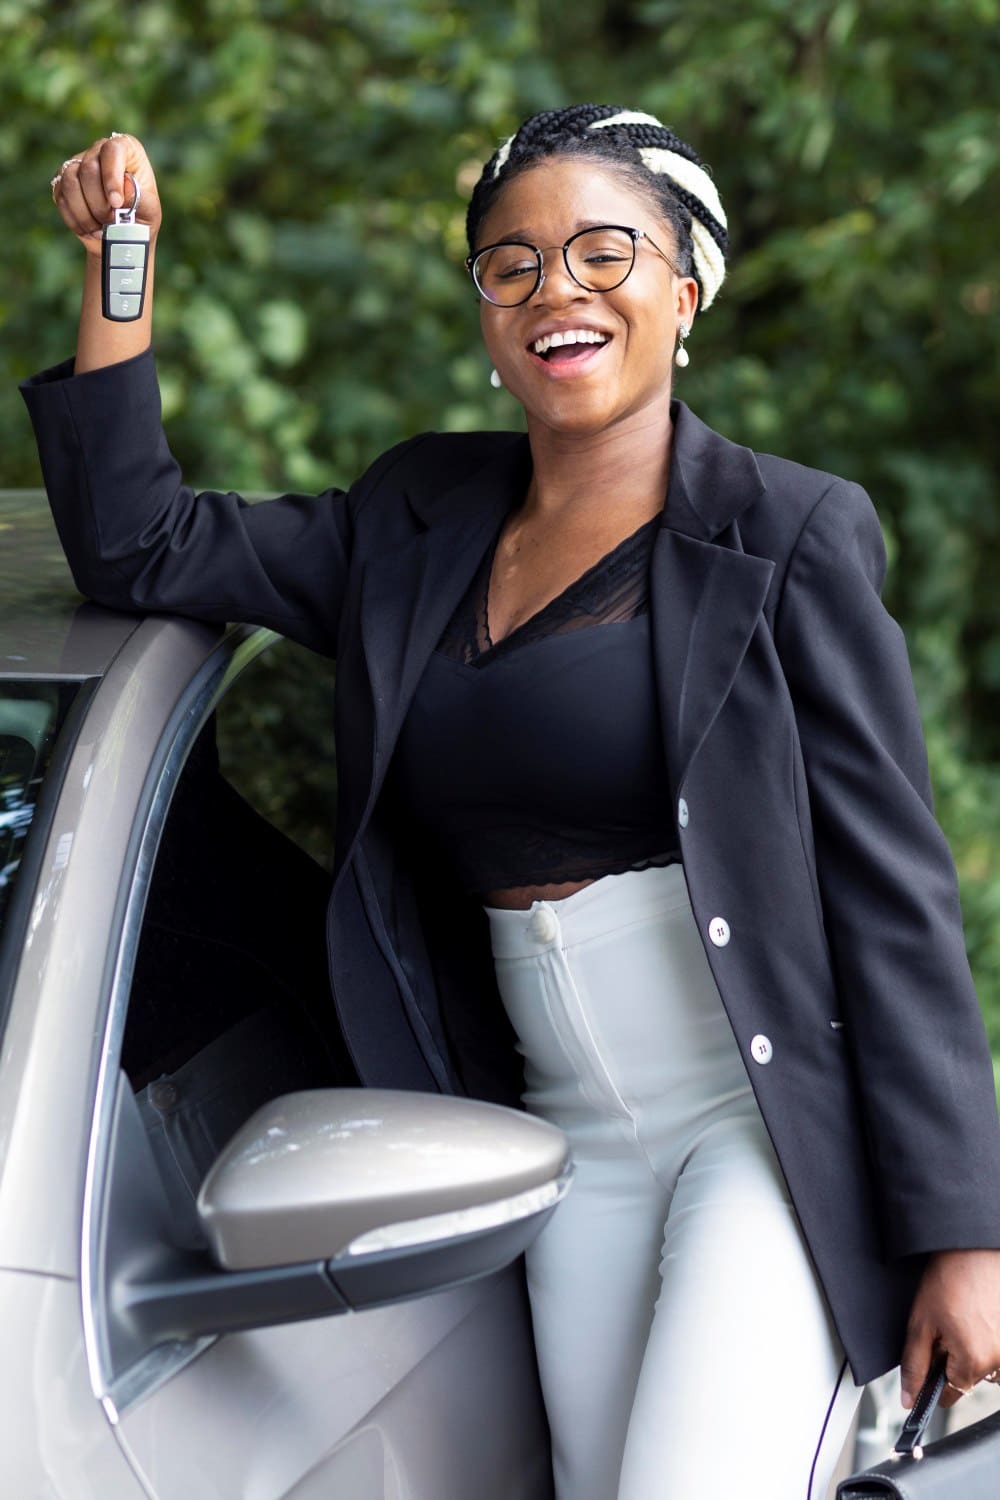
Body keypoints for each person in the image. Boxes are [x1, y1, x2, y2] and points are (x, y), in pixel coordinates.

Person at [22, 105, 1000, 1499]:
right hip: (549, 1135)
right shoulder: (411, 518)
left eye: (606, 253)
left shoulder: (788, 533)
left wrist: (969, 1232)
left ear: (686, 289)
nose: (558, 291)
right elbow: (140, 546)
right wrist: (121, 263)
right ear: (486, 309)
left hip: (755, 1118)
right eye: (514, 264)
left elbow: (892, 892)